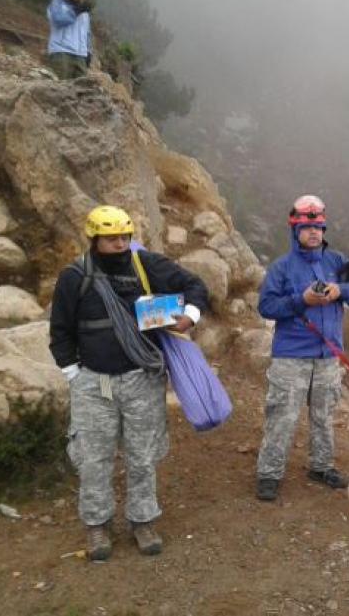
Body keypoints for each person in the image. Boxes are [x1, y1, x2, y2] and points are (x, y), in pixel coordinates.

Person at [49, 205, 209, 561]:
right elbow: (60, 330)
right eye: (111, 238)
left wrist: (189, 316)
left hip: (141, 379)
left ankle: (143, 521)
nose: (120, 244)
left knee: (143, 455)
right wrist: (74, 374)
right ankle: (97, 525)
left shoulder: (145, 265)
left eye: (124, 236)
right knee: (94, 458)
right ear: (94, 239)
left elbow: (195, 285)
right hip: (94, 383)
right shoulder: (75, 276)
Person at [255, 195, 349, 501]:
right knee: (282, 416)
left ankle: (321, 466)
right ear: (295, 230)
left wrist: (340, 290)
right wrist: (301, 300)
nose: (314, 232)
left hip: (328, 356)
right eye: (307, 227)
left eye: (318, 227)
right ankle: (269, 473)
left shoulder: (338, 262)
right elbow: (266, 306)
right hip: (291, 356)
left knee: (324, 416)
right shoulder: (281, 268)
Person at [46, 0, 92, 79]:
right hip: (61, 52)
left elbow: (87, 33)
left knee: (81, 87)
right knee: (59, 85)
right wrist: (76, 11)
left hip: (80, 55)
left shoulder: (83, 11)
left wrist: (88, 52)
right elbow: (59, 20)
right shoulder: (58, 3)